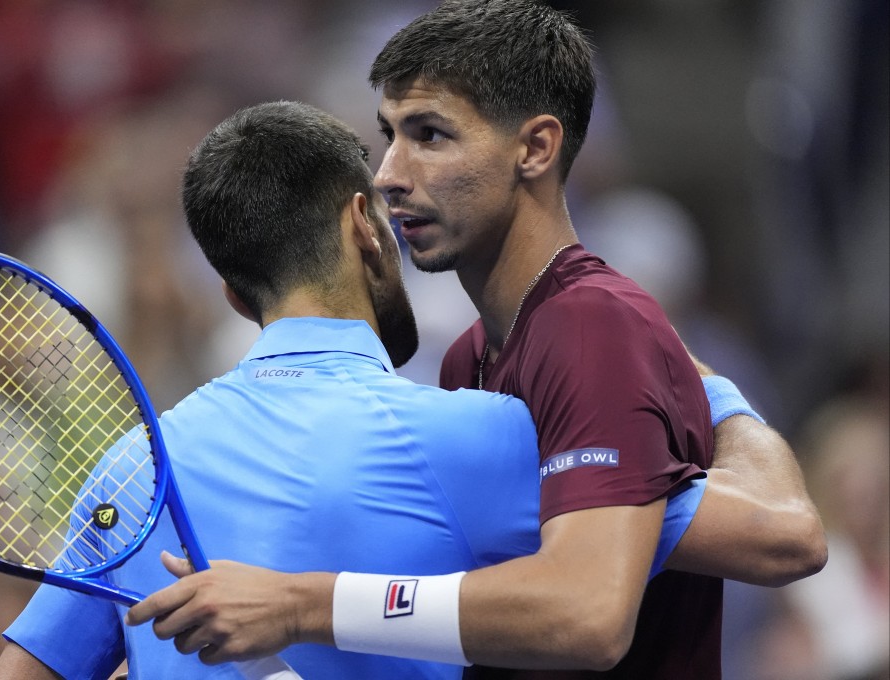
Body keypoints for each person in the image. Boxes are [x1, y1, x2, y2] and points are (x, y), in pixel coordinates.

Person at [125, 2, 827, 678]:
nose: (388, 175)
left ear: (536, 147)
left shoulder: (592, 326)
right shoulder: (471, 355)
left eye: (430, 135)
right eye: (390, 135)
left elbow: (589, 614)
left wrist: (301, 604)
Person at [0, 101, 706, 680]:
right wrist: (693, 382)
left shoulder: (134, 466)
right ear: (364, 225)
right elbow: (777, 538)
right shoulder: (476, 436)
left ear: (235, 296)